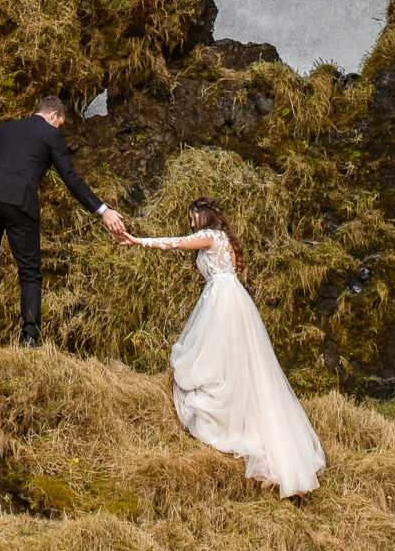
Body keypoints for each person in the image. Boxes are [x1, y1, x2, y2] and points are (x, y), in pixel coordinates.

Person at [118, 198, 324, 498]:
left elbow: (176, 244)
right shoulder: (225, 239)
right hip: (233, 298)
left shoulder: (211, 237)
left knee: (214, 357)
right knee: (237, 361)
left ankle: (223, 417)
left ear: (203, 216)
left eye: (192, 217)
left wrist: (138, 241)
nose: (191, 223)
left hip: (222, 301)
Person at [0, 92, 125, 346]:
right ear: (54, 116)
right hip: (19, 203)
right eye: (59, 123)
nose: (58, 127)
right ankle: (30, 338)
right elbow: (70, 178)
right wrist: (102, 210)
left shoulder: (5, 129)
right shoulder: (50, 133)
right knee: (29, 273)